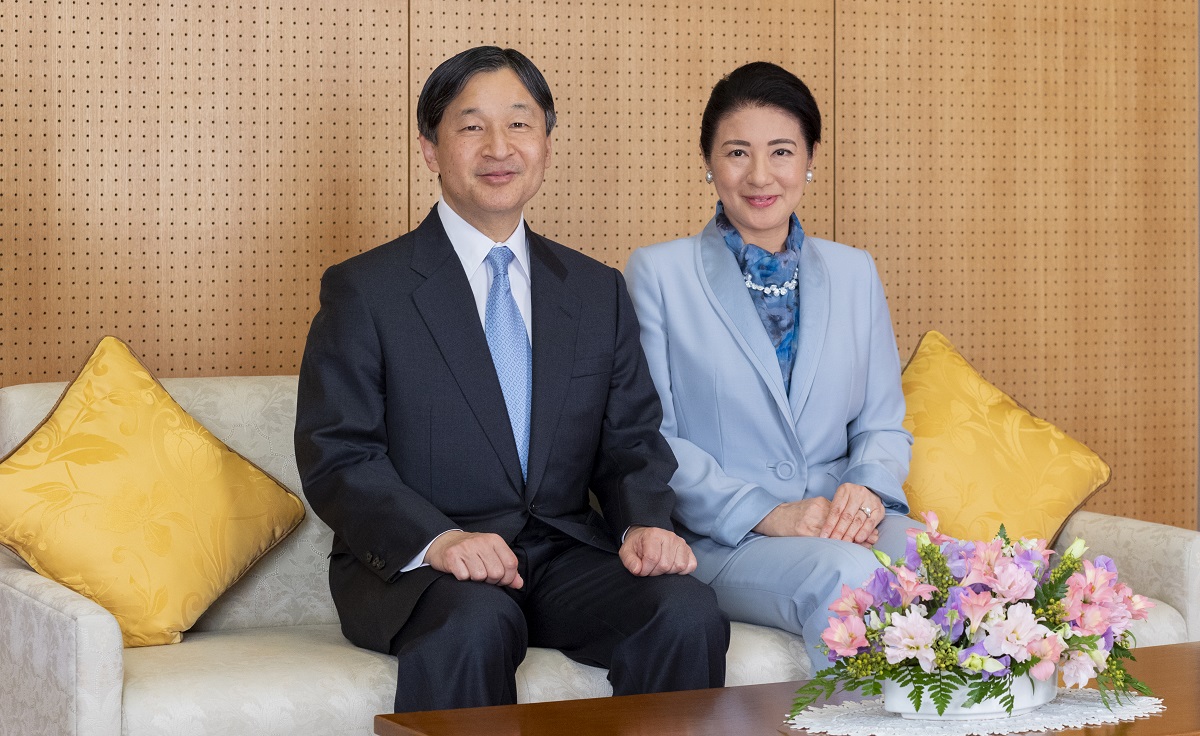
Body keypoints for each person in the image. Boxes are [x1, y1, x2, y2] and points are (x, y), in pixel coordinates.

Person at [294, 46, 728, 713]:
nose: (499, 147)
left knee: (685, 611)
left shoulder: (595, 291)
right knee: (475, 622)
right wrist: (440, 540)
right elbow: (338, 454)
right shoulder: (367, 290)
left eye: (519, 124)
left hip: (558, 554)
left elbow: (632, 441)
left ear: (546, 145)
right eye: (471, 126)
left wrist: (642, 524)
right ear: (430, 149)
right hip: (426, 568)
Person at [624, 61, 917, 669]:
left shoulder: (855, 272)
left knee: (955, 566)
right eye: (737, 152)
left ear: (810, 160)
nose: (760, 175)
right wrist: (770, 513)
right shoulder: (658, 274)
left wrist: (865, 490)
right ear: (709, 163)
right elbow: (653, 438)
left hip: (837, 518)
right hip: (724, 537)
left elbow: (882, 422)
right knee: (848, 577)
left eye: (781, 151)